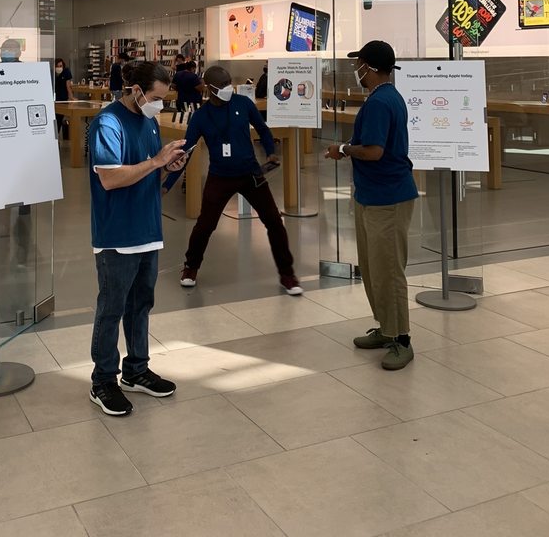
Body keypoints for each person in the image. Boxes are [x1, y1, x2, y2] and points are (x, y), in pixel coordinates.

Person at [87, 60, 187, 416]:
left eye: (164, 99)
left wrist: (168, 166)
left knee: (141, 305)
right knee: (111, 308)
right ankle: (103, 380)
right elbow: (110, 179)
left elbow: (149, 173)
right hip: (117, 234)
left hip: (147, 230)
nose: (160, 105)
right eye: (156, 98)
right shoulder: (107, 123)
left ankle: (136, 370)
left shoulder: (149, 122)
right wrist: (156, 161)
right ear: (136, 91)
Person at [165, 64, 303, 296]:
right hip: (220, 177)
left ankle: (287, 274)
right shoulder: (201, 117)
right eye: (223, 85)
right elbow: (185, 153)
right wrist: (167, 184)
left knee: (274, 222)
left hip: (251, 175)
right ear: (210, 88)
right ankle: (190, 267)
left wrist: (270, 151)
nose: (228, 88)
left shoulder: (243, 103)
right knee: (205, 225)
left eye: (229, 83)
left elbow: (262, 129)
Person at [325, 40, 418, 372]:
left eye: (359, 64)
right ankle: (386, 328)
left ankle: (401, 340)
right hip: (372, 196)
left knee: (388, 271)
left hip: (388, 199)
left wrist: (343, 150)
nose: (356, 69)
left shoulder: (381, 102)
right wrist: (350, 147)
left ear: (371, 67)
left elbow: (375, 151)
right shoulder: (383, 97)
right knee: (374, 268)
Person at [54, 57, 75, 136]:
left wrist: (71, 97)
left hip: (63, 99)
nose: (59, 68)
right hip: (54, 99)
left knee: (59, 118)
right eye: (57, 66)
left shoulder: (66, 72)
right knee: (54, 118)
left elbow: (68, 86)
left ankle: (56, 136)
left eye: (61, 66)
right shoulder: (52, 73)